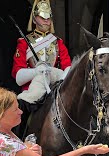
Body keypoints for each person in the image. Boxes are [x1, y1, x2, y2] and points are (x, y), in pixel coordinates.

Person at [0, 87, 109, 156]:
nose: (20, 112)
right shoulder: (0, 141)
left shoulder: (2, 132)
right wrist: (83, 151)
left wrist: (27, 149)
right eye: (15, 110)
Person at [11, 0, 71, 137]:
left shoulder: (58, 43)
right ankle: (18, 141)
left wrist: (58, 80)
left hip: (54, 89)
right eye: (42, 17)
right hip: (32, 92)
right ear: (35, 18)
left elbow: (68, 67)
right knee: (20, 115)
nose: (46, 21)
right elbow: (18, 75)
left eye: (48, 17)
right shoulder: (23, 43)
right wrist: (36, 71)